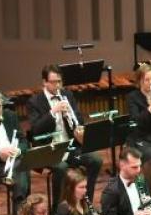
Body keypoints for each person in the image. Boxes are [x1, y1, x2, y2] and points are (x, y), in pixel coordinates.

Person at [28, 65, 103, 205]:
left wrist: (77, 128)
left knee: (95, 160)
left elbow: (79, 120)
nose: (57, 85)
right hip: (49, 150)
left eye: (59, 81)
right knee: (61, 168)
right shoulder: (35, 102)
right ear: (44, 82)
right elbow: (36, 130)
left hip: (70, 147)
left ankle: (87, 203)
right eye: (53, 82)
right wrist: (53, 112)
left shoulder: (67, 95)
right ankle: (58, 210)